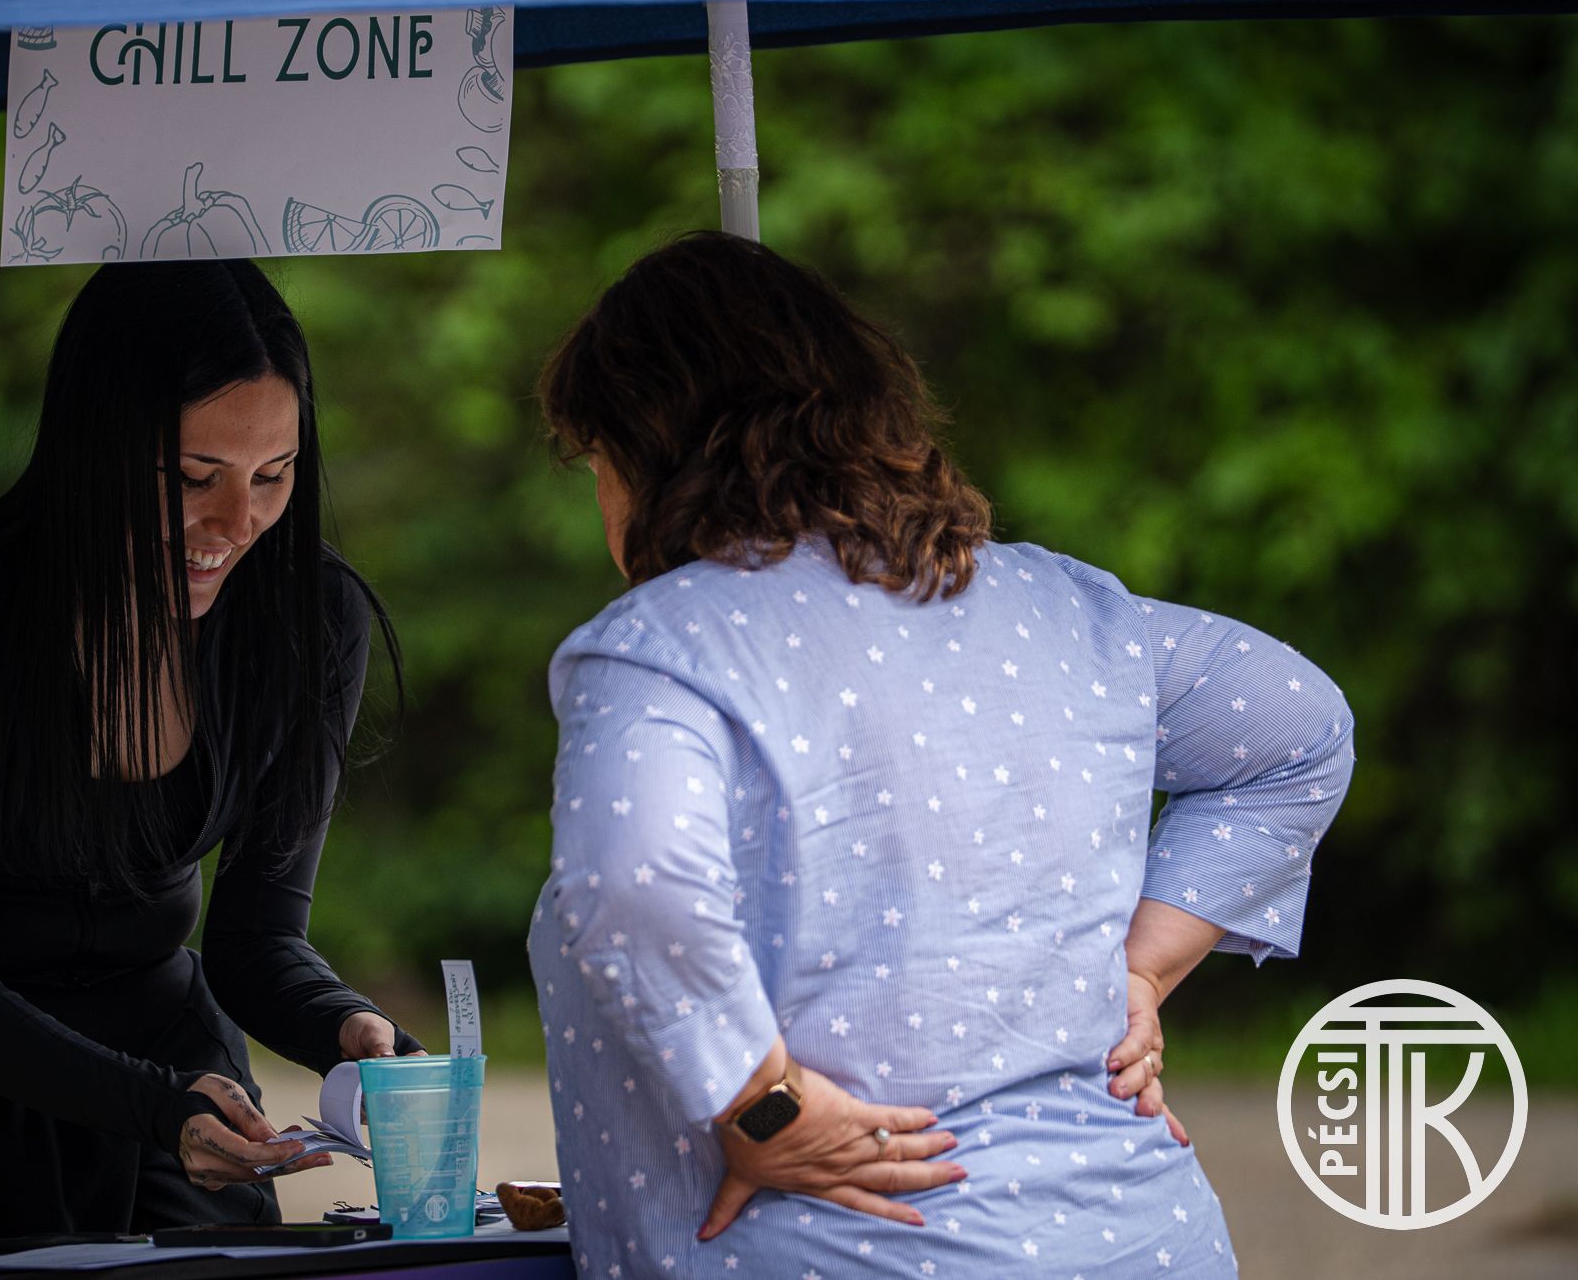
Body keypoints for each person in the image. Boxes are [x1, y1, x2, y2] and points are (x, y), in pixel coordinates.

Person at [528, 233, 1355, 1276]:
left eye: (596, 465)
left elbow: (632, 880)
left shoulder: (661, 644)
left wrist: (763, 1105)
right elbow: (1297, 726)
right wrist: (1141, 968)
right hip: (1147, 1238)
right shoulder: (1063, 608)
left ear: (643, 451)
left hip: (850, 1253)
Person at [0, 261, 419, 1256]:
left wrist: (346, 1027)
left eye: (273, 475)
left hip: (178, 1076)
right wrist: (159, 1107)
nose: (236, 525)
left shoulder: (310, 617)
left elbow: (256, 938)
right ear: (92, 447)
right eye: (194, 478)